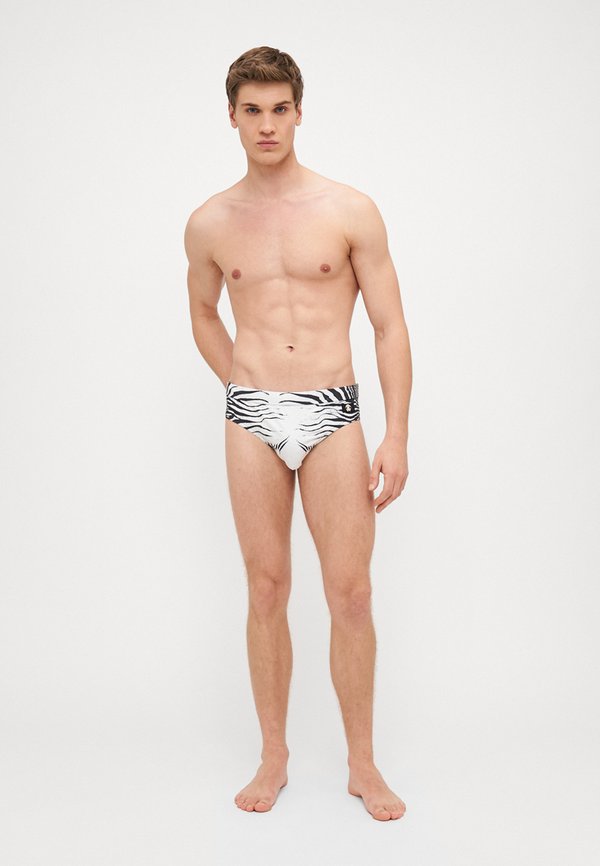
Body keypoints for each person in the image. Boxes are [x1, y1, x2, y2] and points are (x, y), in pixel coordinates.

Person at [184, 45, 412, 821]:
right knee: (266, 587)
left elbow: (389, 325)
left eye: (279, 108)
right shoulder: (210, 222)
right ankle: (273, 754)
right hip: (252, 414)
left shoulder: (348, 210)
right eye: (252, 110)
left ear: (299, 112)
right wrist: (242, 386)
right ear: (232, 116)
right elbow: (202, 312)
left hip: (331, 410)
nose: (267, 124)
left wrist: (396, 435)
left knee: (351, 593)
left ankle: (363, 764)